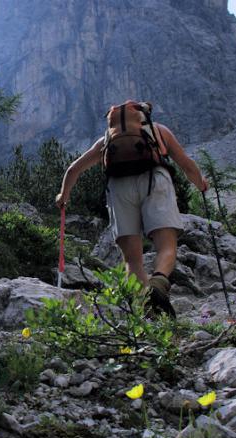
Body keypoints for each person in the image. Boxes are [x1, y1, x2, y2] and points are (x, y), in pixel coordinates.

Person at [55, 113, 208, 317]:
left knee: (132, 259)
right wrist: (201, 184)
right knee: (166, 246)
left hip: (119, 187)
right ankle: (159, 282)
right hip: (155, 180)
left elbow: (74, 169)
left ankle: (147, 310)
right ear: (143, 117)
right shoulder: (158, 132)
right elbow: (186, 164)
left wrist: (63, 196)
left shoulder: (107, 141)